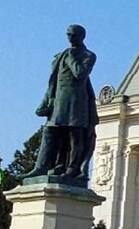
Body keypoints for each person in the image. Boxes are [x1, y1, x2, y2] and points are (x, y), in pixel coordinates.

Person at [25, 24, 99, 180]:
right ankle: (42, 166)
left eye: (73, 35)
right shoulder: (59, 56)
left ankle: (73, 168)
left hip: (76, 102)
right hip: (58, 102)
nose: (70, 38)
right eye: (68, 35)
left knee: (75, 135)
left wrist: (71, 56)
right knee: (50, 132)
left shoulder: (88, 55)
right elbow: (53, 83)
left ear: (81, 36)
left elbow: (80, 74)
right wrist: (44, 102)